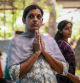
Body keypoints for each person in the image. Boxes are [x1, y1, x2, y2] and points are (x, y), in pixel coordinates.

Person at [7, 4, 69, 83]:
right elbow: (14, 75)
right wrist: (36, 53)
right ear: (23, 20)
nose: (35, 19)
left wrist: (44, 52)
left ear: (42, 21)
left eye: (38, 17)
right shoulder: (16, 42)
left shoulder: (50, 41)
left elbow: (64, 70)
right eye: (31, 16)